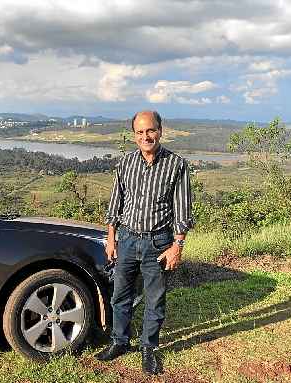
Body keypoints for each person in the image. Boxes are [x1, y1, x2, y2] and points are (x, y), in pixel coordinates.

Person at [95, 110, 194, 375]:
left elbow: (183, 212)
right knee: (120, 295)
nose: (146, 136)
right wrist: (111, 238)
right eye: (140, 132)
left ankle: (148, 348)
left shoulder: (176, 165)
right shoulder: (125, 163)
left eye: (150, 130)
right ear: (134, 135)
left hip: (158, 243)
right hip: (126, 239)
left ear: (160, 130)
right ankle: (119, 341)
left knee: (154, 300)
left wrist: (178, 246)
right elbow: (116, 204)